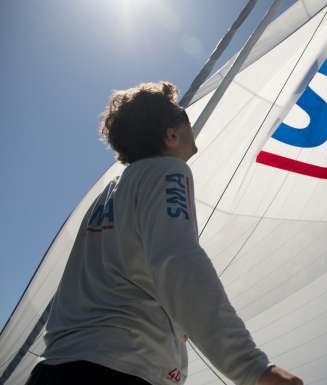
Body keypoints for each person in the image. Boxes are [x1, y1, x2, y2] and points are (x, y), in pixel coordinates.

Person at [26, 82, 303, 385]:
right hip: (117, 369)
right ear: (171, 134)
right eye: (184, 116)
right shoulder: (167, 171)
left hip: (53, 369)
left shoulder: (107, 195)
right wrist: (251, 368)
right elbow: (178, 261)